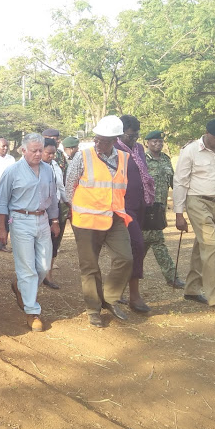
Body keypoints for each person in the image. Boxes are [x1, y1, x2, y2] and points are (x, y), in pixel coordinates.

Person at [65, 115, 133, 328]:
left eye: (104, 140)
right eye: (97, 139)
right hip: (87, 221)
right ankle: (93, 309)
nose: (99, 143)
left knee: (125, 258)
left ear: (115, 139)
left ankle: (110, 299)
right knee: (90, 267)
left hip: (115, 218)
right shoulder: (82, 157)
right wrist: (75, 211)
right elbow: (69, 187)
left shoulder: (123, 157)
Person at [173, 118, 215, 313]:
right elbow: (180, 182)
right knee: (211, 246)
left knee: (202, 245)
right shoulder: (190, 150)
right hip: (197, 201)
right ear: (208, 133)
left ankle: (192, 290)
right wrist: (179, 214)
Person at [0, 134, 60, 331]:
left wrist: (55, 220)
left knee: (42, 267)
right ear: (23, 151)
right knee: (27, 269)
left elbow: (53, 198)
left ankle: (21, 286)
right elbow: (1, 201)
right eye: (34, 150)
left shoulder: (48, 170)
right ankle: (32, 312)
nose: (39, 154)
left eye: (41, 150)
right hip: (20, 220)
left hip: (42, 220)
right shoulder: (12, 171)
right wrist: (1, 228)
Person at [115, 115, 155, 313]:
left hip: (141, 204)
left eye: (137, 135)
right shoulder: (113, 148)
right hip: (123, 207)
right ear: (121, 133)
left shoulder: (138, 148)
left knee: (135, 249)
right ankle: (133, 295)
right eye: (131, 136)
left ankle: (125, 292)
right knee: (136, 246)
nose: (134, 139)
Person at [142, 131, 185, 287]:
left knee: (145, 243)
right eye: (154, 141)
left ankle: (129, 273)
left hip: (159, 209)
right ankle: (172, 277)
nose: (158, 144)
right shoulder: (142, 160)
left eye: (160, 141)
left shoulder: (166, 160)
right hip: (145, 209)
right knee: (157, 241)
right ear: (147, 143)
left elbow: (173, 181)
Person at [41, 138, 67, 290]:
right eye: (48, 153)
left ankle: (49, 275)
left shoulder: (55, 165)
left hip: (56, 206)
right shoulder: (36, 167)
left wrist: (67, 203)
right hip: (41, 208)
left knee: (54, 241)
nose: (51, 156)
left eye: (53, 153)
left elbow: (61, 187)